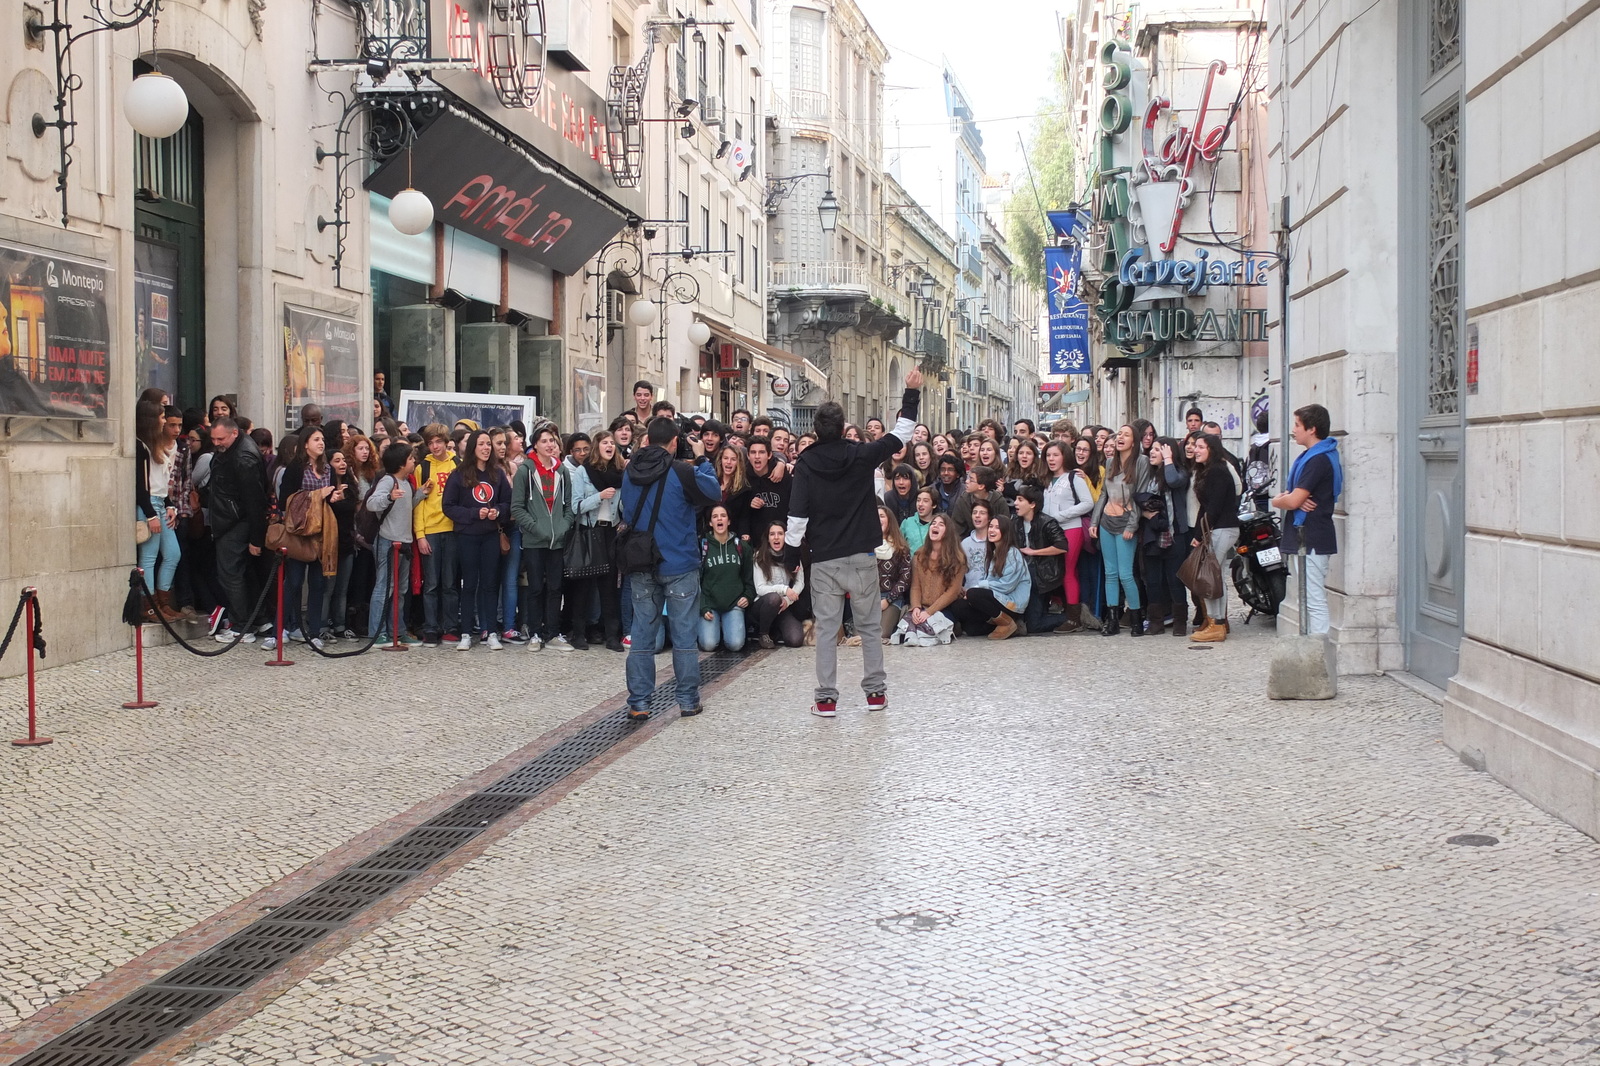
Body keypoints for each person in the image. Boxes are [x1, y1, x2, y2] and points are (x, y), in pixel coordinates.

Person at [783, 367, 922, 717]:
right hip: (861, 555)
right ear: (844, 426)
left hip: (825, 558)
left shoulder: (807, 463)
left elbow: (797, 518)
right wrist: (910, 393)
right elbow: (902, 433)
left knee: (827, 630)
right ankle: (875, 695)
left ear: (814, 429)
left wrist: (790, 559)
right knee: (870, 628)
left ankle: (826, 699)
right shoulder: (860, 455)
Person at [619, 416, 721, 720]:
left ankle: (639, 702)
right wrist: (702, 457)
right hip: (679, 563)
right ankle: (688, 700)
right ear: (675, 442)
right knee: (684, 635)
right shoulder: (681, 471)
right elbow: (714, 492)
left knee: (642, 634)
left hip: (641, 563)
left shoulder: (630, 472)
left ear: (647, 439)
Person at [1272, 403, 1341, 636]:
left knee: (1314, 598)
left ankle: (1319, 652)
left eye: (1297, 425)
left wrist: (1282, 500)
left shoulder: (1317, 460)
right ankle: (1314, 647)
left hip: (1311, 535)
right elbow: (1294, 498)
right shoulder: (1311, 456)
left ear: (1312, 429)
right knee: (1308, 596)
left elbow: (1291, 501)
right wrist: (1290, 498)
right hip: (1307, 533)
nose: (1294, 429)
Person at [442, 430, 512, 651]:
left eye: (488, 444)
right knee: (469, 584)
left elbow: (507, 503)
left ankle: (491, 631)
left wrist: (497, 512)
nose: (486, 448)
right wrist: (474, 514)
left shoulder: (498, 474)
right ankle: (465, 632)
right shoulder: (459, 474)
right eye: (481, 444)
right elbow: (449, 506)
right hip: (467, 536)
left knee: (490, 584)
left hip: (491, 535)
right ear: (473, 447)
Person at [274, 425, 342, 650]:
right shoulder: (296, 468)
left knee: (318, 583)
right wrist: (315, 496)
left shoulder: (328, 469)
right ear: (305, 444)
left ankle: (314, 631)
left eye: (322, 439)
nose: (321, 443)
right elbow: (287, 500)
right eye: (315, 439)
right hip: (299, 531)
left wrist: (334, 497)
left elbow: (329, 495)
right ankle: (280, 629)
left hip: (322, 531)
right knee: (292, 581)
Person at [512, 424, 576, 652]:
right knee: (536, 587)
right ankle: (535, 633)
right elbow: (517, 508)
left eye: (553, 440)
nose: (550, 445)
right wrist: (536, 528)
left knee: (555, 588)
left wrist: (564, 526)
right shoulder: (525, 471)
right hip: (534, 540)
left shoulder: (562, 471)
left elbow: (569, 506)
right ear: (535, 445)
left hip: (557, 539)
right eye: (545, 441)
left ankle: (553, 633)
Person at [206, 418, 267, 642]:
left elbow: (255, 501)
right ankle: (257, 619)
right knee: (242, 573)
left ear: (234, 433)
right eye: (213, 439)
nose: (216, 443)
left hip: (235, 522)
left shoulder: (243, 457)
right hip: (232, 519)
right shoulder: (234, 450)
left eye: (220, 439)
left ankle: (242, 626)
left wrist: (256, 538)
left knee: (231, 574)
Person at [1089, 425, 1151, 637]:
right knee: (1110, 573)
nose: (1121, 437)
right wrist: (1094, 522)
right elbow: (1104, 495)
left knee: (1125, 574)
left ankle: (1135, 618)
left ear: (1134, 442)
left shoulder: (1141, 462)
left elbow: (1141, 496)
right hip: (1107, 521)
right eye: (1119, 434)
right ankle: (1112, 620)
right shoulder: (1109, 462)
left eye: (1126, 434)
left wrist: (1132, 526)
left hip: (1127, 523)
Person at [570, 429, 626, 651]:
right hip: (588, 531)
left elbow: (623, 506)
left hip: (610, 532)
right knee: (584, 585)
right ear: (597, 447)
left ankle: (612, 636)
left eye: (612, 443)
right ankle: (579, 633)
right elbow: (576, 507)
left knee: (609, 586)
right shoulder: (584, 472)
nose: (609, 446)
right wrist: (599, 497)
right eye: (605, 443)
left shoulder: (621, 472)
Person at [133, 399, 184, 622]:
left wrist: (170, 505)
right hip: (149, 505)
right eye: (162, 417)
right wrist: (151, 514)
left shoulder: (156, 445)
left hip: (161, 502)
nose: (165, 421)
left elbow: (164, 481)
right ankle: (149, 605)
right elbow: (141, 485)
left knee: (173, 553)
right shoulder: (140, 446)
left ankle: (164, 601)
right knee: (149, 557)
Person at [1189, 432, 1242, 643]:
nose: (1196, 450)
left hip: (1223, 528)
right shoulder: (1207, 471)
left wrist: (1202, 534)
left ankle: (1215, 623)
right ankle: (1218, 622)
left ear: (1211, 449)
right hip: (1217, 528)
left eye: (1201, 447)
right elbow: (1205, 506)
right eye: (1195, 446)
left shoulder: (1218, 471)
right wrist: (1198, 535)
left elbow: (1214, 507)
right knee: (1216, 576)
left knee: (1208, 576)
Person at [411, 424, 459, 647]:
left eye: (438, 441)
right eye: (430, 443)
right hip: (430, 530)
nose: (434, 446)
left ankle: (450, 626)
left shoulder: (456, 464)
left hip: (452, 529)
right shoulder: (423, 467)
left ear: (445, 441)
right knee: (431, 584)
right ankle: (430, 628)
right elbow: (418, 504)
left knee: (450, 583)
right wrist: (420, 535)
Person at [944, 517, 1031, 640]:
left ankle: (1007, 623)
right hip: (997, 600)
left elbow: (1007, 585)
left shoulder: (1013, 553)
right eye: (991, 526)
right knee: (960, 609)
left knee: (974, 594)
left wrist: (976, 588)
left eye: (997, 527)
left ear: (1006, 531)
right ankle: (1012, 626)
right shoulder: (993, 552)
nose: (992, 530)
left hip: (1011, 604)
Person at [366, 442, 419, 645]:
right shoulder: (388, 481)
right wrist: (388, 496)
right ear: (400, 463)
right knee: (384, 587)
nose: (414, 461)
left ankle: (397, 630)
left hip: (404, 542)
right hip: (388, 541)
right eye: (410, 458)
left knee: (400, 590)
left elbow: (406, 506)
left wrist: (421, 493)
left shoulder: (407, 483)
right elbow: (372, 503)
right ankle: (376, 632)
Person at [1143, 437, 1193, 637]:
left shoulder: (1180, 472)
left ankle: (1180, 621)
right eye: (1152, 449)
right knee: (1153, 580)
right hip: (1152, 534)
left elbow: (1172, 481)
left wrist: (1169, 460)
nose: (1153, 453)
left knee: (1174, 579)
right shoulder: (1148, 476)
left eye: (1158, 450)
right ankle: (1156, 621)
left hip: (1175, 534)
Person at [1040, 441, 1092, 632]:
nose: (1051, 459)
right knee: (1056, 571)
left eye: (1055, 455)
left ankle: (1074, 618)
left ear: (1064, 456)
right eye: (1048, 455)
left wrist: (1062, 515)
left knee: (1068, 571)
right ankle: (1059, 607)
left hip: (1071, 528)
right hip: (1050, 531)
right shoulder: (1045, 479)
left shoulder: (1073, 478)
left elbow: (1088, 503)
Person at [898, 514, 964, 645]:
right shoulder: (919, 555)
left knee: (932, 625)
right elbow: (915, 586)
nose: (935, 526)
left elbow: (953, 592)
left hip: (944, 608)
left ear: (948, 531)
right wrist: (916, 607)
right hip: (922, 606)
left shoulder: (958, 559)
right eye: (933, 523)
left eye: (941, 524)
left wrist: (929, 612)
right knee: (906, 627)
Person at [1013, 485, 1070, 634]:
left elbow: (1062, 546)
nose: (1015, 503)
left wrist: (1035, 552)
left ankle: (1072, 617)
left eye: (1020, 500)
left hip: (1043, 574)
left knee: (1034, 626)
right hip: (1023, 573)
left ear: (1032, 504)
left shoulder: (1047, 522)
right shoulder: (1015, 521)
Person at [697, 505, 754, 651]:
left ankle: (727, 629)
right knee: (708, 644)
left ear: (729, 521)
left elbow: (749, 579)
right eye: (715, 517)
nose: (719, 519)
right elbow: (696, 581)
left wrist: (747, 596)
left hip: (733, 604)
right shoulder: (702, 547)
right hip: (710, 605)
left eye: (723, 515)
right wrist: (703, 607)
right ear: (710, 523)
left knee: (735, 645)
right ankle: (716, 630)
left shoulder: (742, 547)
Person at [751, 520, 805, 649]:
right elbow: (760, 588)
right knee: (773, 597)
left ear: (785, 537)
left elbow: (800, 582)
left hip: (782, 606)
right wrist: (784, 589)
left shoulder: (792, 556)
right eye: (772, 534)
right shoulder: (759, 556)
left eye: (780, 534)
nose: (776, 537)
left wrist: (787, 600)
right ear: (768, 538)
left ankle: (775, 630)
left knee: (796, 639)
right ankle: (763, 633)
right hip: (763, 605)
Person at [876, 504, 911, 638]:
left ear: (889, 520)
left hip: (892, 598)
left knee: (882, 633)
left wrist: (888, 600)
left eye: (882, 516)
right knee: (861, 635)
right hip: (869, 599)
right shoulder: (865, 548)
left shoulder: (901, 548)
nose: (878, 519)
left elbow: (905, 578)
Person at [950, 465, 1009, 540]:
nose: (966, 482)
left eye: (971, 480)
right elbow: (956, 528)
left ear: (981, 486)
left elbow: (1005, 528)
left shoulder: (999, 501)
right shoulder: (963, 500)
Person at [900, 486, 936, 553]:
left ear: (934, 505)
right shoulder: (907, 523)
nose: (920, 504)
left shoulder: (937, 526)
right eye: (918, 500)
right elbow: (899, 546)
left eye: (925, 501)